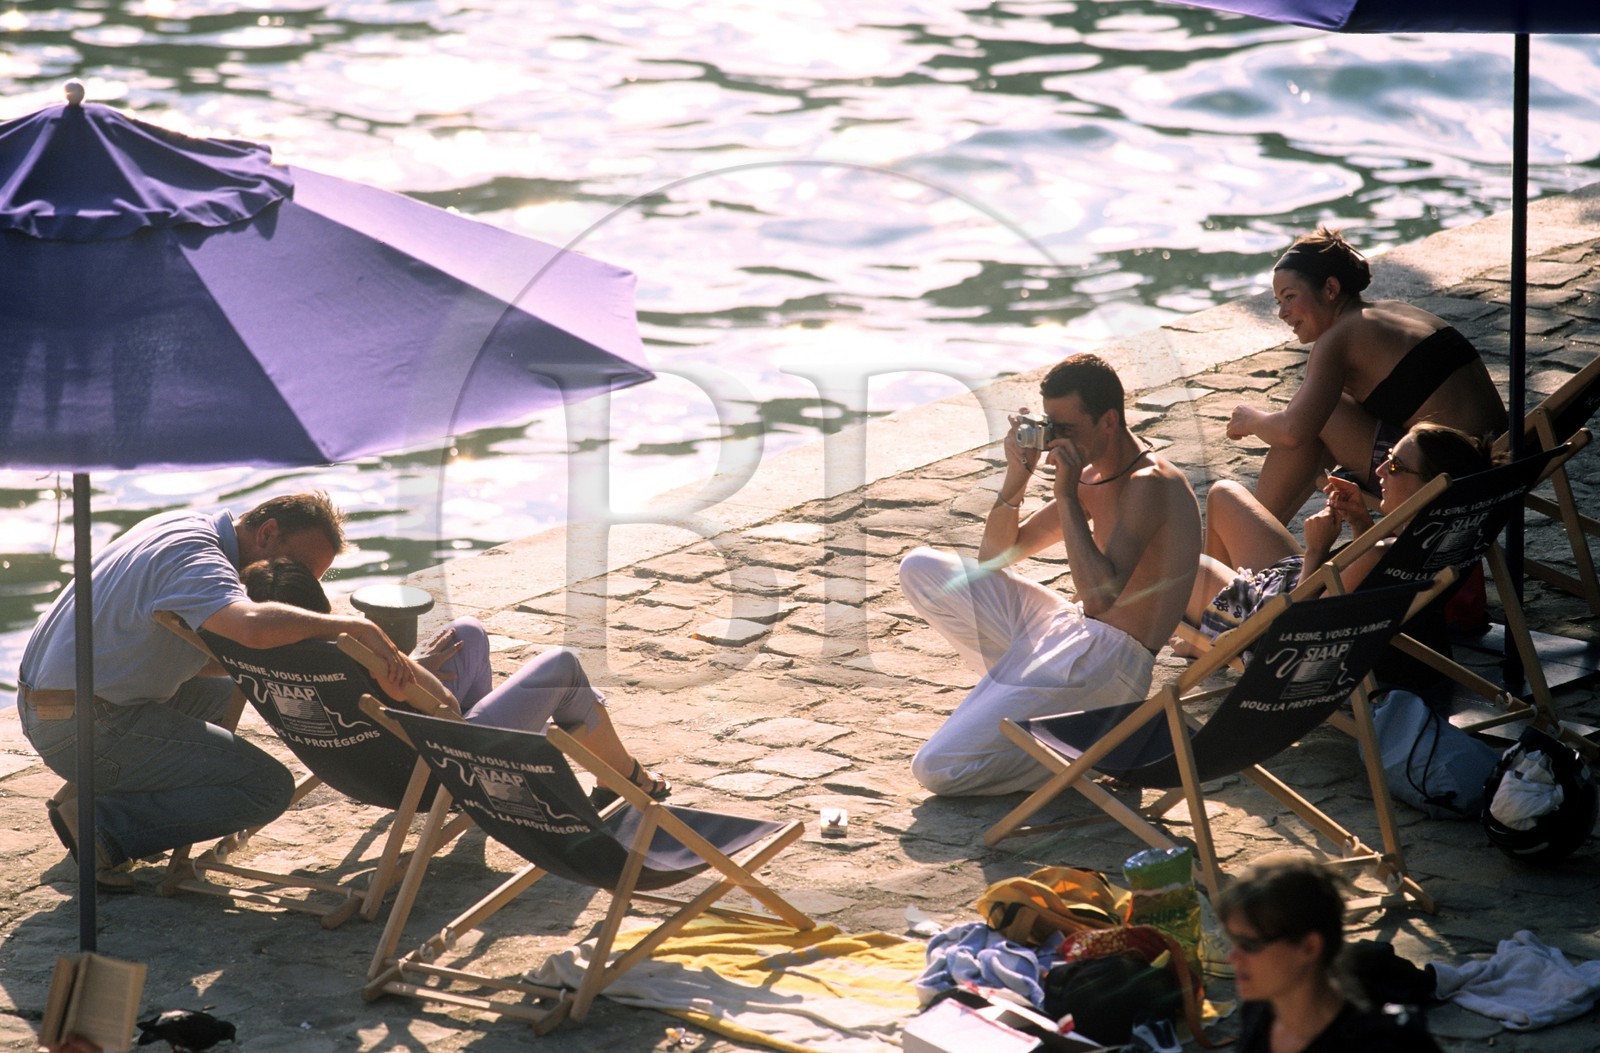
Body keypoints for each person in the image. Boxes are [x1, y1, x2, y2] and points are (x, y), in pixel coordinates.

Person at [17, 492, 413, 890]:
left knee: (236, 695)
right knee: (266, 788)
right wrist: (352, 628)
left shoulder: (182, 523)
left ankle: (104, 787)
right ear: (268, 532)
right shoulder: (198, 561)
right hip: (79, 724)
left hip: (62, 703)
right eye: (301, 569)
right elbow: (252, 627)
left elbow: (207, 656)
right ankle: (105, 826)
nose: (300, 583)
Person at [899, 353, 1201, 796]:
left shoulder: (1150, 484)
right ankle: (1027, 696)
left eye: (1066, 429)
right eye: (1050, 427)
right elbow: (994, 558)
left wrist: (1064, 491)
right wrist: (1016, 476)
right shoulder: (1092, 473)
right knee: (921, 568)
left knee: (937, 767)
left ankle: (1081, 751)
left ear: (1109, 422)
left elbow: (1100, 596)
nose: (1056, 441)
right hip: (1070, 628)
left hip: (1110, 660)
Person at [241, 557, 669, 804]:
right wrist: (409, 671)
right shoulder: (344, 650)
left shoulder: (258, 655)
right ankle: (626, 779)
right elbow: (440, 702)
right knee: (561, 667)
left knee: (467, 634)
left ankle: (554, 763)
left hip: (363, 763)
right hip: (441, 767)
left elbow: (366, 704)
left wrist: (409, 664)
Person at [1224, 227, 1505, 528]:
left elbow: (1293, 431)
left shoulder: (1338, 338)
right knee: (1319, 413)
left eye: (1290, 297)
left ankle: (1247, 535)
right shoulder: (1395, 310)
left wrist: (1250, 419)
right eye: (1279, 301)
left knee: (1317, 417)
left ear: (1331, 289)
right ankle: (1253, 532)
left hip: (1449, 483)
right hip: (1502, 464)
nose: (1282, 312)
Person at [1188, 422, 1495, 644]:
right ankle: (1212, 629)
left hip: (1269, 618)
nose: (1378, 471)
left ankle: (1215, 639)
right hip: (1294, 585)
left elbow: (1296, 632)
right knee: (1223, 493)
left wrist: (1316, 552)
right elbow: (1364, 583)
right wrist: (1362, 523)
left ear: (1429, 487)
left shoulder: (1384, 552)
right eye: (1386, 457)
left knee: (1179, 565)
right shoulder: (1434, 540)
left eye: (1394, 466)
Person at [1219, 854, 1442, 1053]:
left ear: (1309, 947)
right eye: (1233, 942)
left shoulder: (1382, 1044)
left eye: (1249, 944)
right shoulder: (1260, 1010)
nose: (1232, 957)